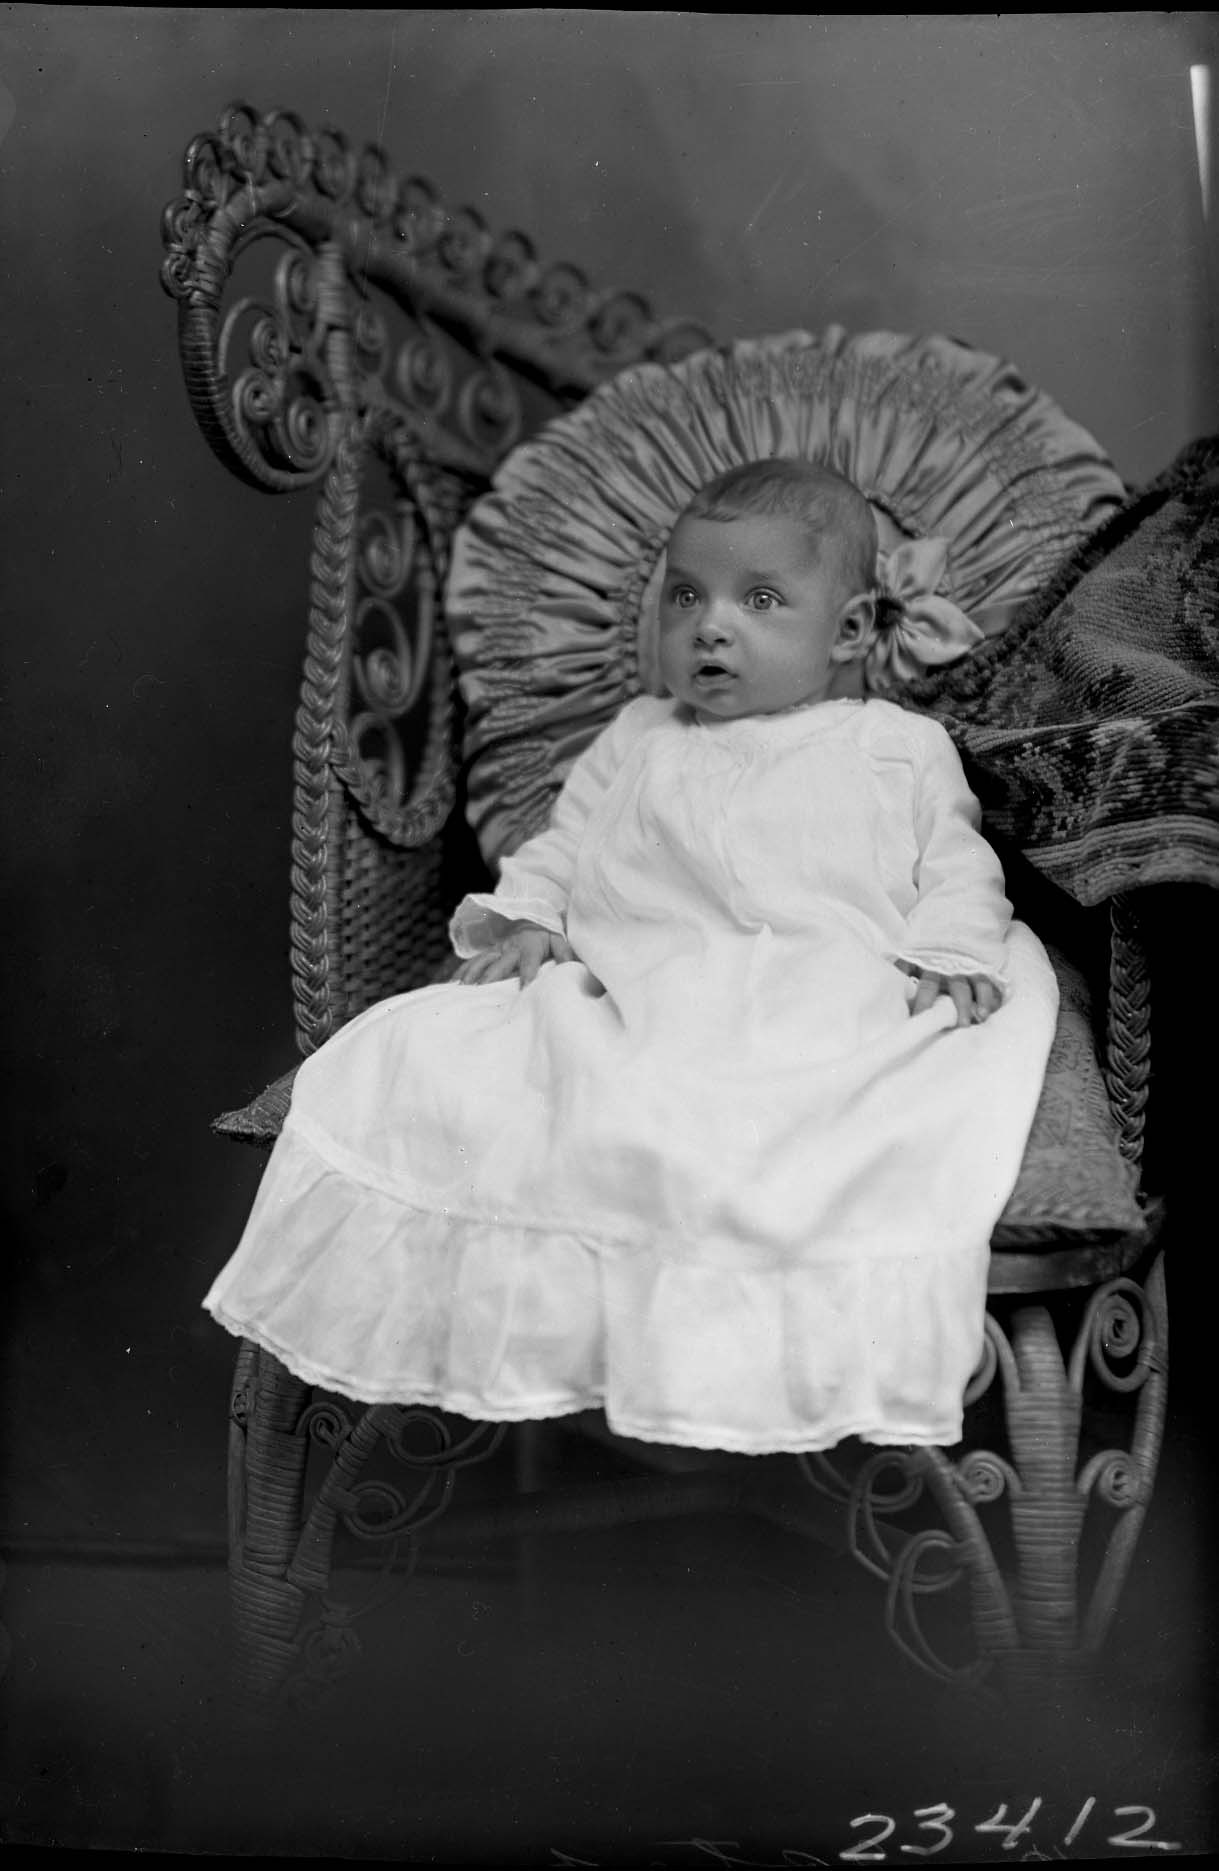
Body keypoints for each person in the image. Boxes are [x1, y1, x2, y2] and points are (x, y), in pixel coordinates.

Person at [204, 459, 1058, 1454]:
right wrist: (532, 915)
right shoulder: (642, 735)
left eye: (760, 600)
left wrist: (949, 949)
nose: (710, 626)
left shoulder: (896, 744)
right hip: (644, 983)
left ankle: (750, 1322)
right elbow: (563, 845)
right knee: (441, 1058)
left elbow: (957, 866)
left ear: (850, 630)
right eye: (686, 595)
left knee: (835, 1096)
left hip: (818, 978)